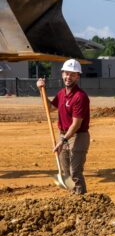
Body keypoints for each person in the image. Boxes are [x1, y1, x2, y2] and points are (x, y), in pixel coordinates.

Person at [37, 59, 91, 194]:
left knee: (75, 171)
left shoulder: (80, 97)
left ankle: (81, 199)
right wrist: (41, 90)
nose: (68, 77)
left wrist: (63, 140)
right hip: (64, 134)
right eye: (66, 73)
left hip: (78, 136)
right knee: (66, 172)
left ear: (78, 77)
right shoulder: (62, 94)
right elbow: (49, 108)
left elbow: (76, 124)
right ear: (62, 74)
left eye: (72, 74)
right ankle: (72, 196)